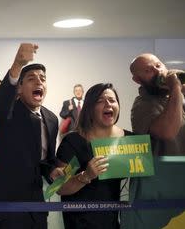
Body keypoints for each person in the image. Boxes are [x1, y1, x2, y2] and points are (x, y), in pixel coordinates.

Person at [0, 43, 64, 229]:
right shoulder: (8, 112)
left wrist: (52, 170)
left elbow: (45, 160)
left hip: (36, 204)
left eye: (42, 78)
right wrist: (17, 64)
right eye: (31, 78)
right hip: (8, 204)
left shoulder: (51, 119)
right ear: (19, 88)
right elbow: (0, 104)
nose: (39, 82)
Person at [56, 83, 131, 229]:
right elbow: (60, 187)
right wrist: (86, 176)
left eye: (112, 100)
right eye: (100, 101)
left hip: (112, 222)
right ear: (89, 108)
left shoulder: (129, 139)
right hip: (79, 223)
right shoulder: (73, 142)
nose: (108, 104)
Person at [130, 53, 185, 155]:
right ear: (137, 80)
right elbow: (168, 132)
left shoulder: (178, 95)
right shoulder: (141, 105)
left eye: (158, 66)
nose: (158, 71)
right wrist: (175, 87)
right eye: (148, 70)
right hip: (167, 170)